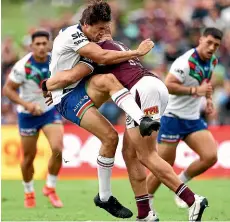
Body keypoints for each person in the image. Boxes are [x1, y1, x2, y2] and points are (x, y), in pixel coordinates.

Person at [43, 28, 209, 221]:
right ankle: (145, 212)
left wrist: (48, 85)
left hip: (141, 91)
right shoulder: (120, 47)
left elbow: (75, 74)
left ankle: (192, 199)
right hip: (157, 86)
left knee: (147, 155)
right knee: (129, 153)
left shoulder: (99, 50)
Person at [42, 0, 156, 219]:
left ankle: (142, 118)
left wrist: (109, 41)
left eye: (107, 27)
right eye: (99, 29)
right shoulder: (73, 36)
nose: (104, 32)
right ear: (86, 24)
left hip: (80, 87)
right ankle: (104, 197)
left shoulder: (96, 41)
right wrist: (136, 52)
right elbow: (82, 69)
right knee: (111, 137)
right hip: (66, 96)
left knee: (109, 80)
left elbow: (88, 67)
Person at [147, 27, 222, 210]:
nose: (212, 47)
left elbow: (206, 82)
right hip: (172, 116)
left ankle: (180, 182)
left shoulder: (212, 61)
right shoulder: (185, 62)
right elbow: (168, 85)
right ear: (201, 40)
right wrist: (196, 91)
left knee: (210, 156)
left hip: (192, 118)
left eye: (216, 45)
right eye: (209, 42)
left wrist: (209, 100)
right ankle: (145, 203)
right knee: (164, 165)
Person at [3, 31, 64, 209]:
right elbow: (8, 90)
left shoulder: (56, 61)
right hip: (27, 114)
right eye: (37, 44)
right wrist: (27, 105)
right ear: (31, 46)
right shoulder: (23, 66)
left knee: (58, 148)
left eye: (44, 43)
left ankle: (50, 188)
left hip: (48, 110)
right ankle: (29, 191)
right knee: (28, 158)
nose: (41, 47)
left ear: (49, 44)